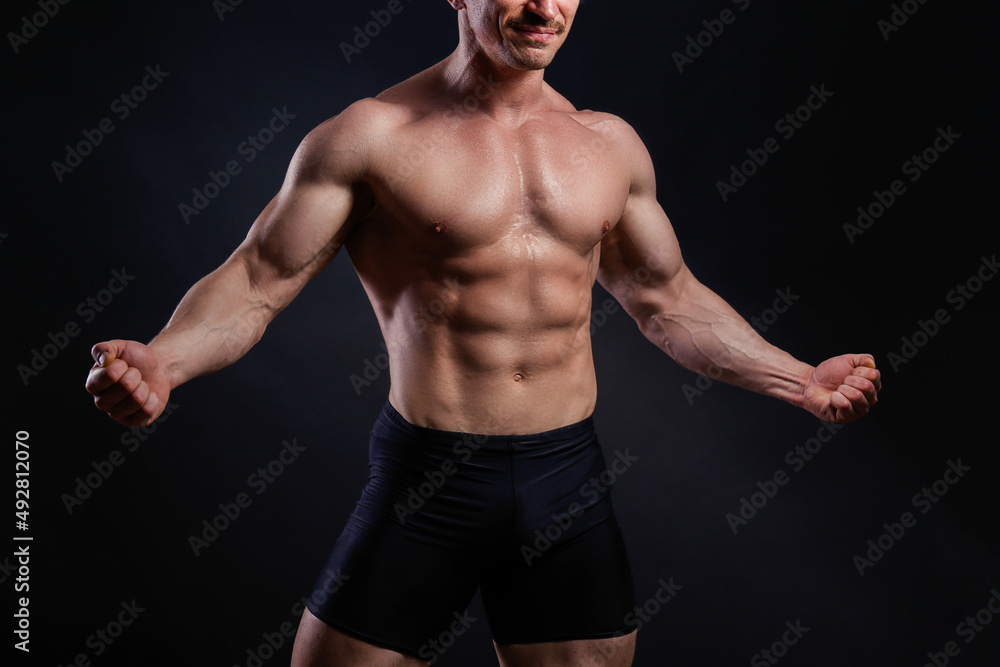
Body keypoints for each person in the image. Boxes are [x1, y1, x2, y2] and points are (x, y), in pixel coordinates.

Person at [85, 1, 881, 665]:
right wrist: (165, 360)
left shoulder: (609, 144)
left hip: (565, 478)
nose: (543, 8)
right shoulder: (371, 137)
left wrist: (798, 378)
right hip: (429, 480)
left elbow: (664, 299)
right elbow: (258, 280)